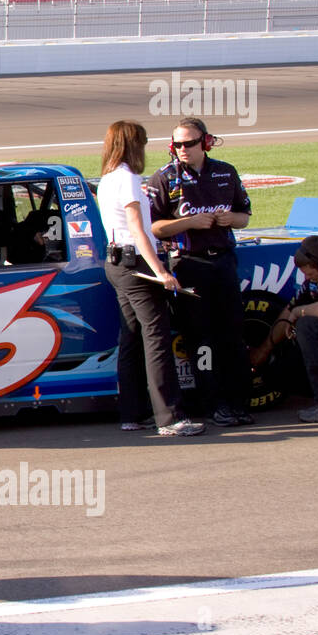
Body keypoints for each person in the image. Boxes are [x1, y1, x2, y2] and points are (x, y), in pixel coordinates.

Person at [97, 121, 204, 437]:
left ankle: (132, 412)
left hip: (115, 261)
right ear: (134, 145)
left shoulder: (107, 179)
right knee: (156, 337)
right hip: (136, 261)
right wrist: (160, 271)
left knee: (130, 337)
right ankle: (169, 417)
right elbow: (137, 228)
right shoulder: (129, 179)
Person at [147, 117, 255, 427]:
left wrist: (228, 218)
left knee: (233, 335)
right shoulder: (163, 178)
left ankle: (239, 401)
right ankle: (213, 402)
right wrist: (189, 223)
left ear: (205, 143)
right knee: (201, 339)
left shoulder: (225, 171)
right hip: (189, 264)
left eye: (189, 143)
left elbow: (244, 216)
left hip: (223, 262)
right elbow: (154, 226)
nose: (182, 149)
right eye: (177, 144)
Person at [250, 236, 318, 422]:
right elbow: (288, 311)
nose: (307, 279)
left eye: (310, 275)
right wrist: (264, 351)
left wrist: (300, 312)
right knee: (276, 373)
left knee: (307, 325)